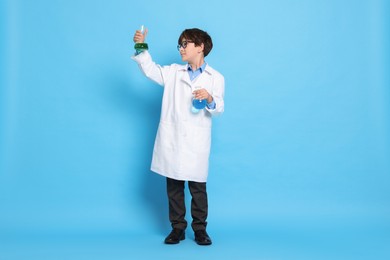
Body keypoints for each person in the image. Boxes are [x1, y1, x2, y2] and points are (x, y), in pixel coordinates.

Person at [131, 27, 224, 246]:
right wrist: (141, 46)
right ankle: (177, 229)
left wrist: (209, 97)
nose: (181, 48)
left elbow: (219, 107)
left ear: (200, 47)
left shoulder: (216, 77)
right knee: (174, 186)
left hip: (196, 141)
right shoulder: (174, 72)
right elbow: (150, 70)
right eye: (180, 45)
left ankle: (200, 230)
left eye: (186, 44)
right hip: (173, 139)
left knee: (197, 188)